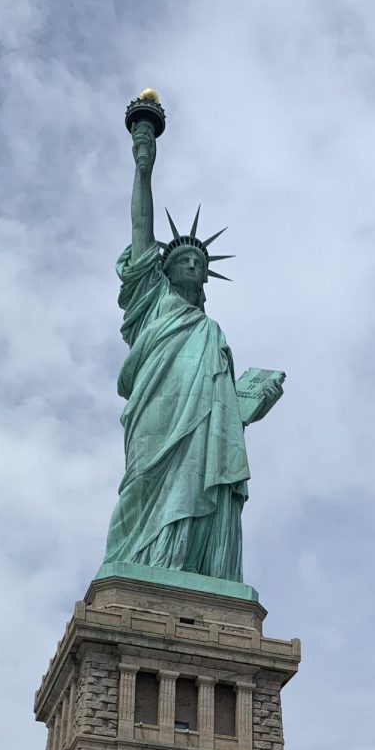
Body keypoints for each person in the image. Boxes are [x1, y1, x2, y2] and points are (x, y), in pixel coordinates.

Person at [99, 107, 284, 584]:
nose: (193, 267)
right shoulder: (152, 301)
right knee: (141, 488)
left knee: (204, 481)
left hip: (203, 432)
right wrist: (144, 161)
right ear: (164, 268)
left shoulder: (212, 334)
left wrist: (248, 400)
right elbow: (142, 226)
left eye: (199, 263)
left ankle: (200, 572)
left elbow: (225, 411)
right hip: (156, 418)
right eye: (182, 259)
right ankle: (143, 566)